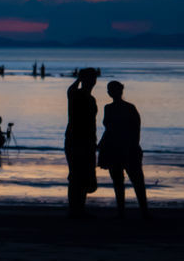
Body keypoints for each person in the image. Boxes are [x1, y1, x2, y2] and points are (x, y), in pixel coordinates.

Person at [98, 80, 149, 218]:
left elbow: (134, 130)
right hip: (116, 148)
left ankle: (136, 211)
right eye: (110, 90)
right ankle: (129, 212)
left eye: (112, 90)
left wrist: (132, 147)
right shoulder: (112, 108)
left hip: (124, 148)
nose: (111, 92)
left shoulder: (125, 108)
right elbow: (110, 130)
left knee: (130, 181)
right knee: (129, 181)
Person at [64, 67, 100, 218]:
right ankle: (74, 210)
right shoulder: (76, 94)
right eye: (90, 78)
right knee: (76, 176)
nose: (93, 81)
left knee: (84, 176)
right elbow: (70, 90)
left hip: (88, 142)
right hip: (75, 141)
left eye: (93, 78)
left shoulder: (91, 99)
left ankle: (80, 208)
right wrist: (79, 78)